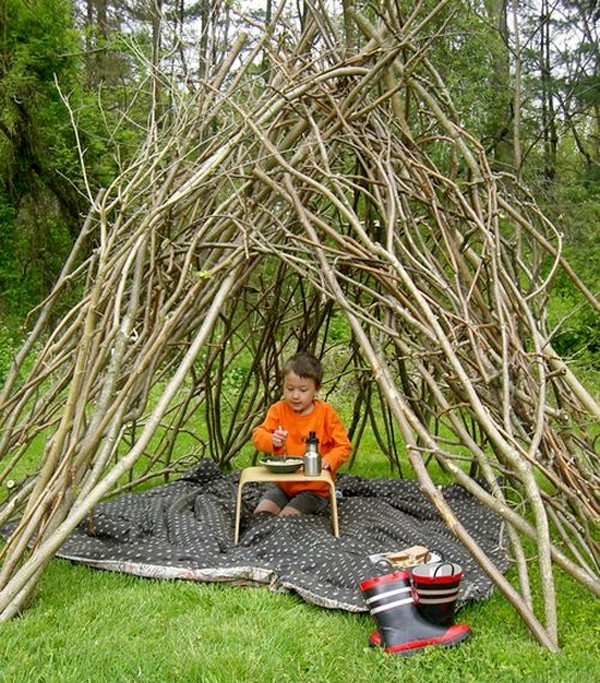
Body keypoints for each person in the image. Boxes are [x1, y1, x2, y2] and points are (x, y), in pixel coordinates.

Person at [252, 351, 352, 517]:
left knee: (288, 518)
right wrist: (272, 440)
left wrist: (330, 460)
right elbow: (258, 436)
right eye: (289, 389)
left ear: (316, 390)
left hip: (314, 489)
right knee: (262, 514)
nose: (295, 395)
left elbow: (344, 446)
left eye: (303, 390)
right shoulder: (278, 410)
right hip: (283, 485)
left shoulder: (325, 413)